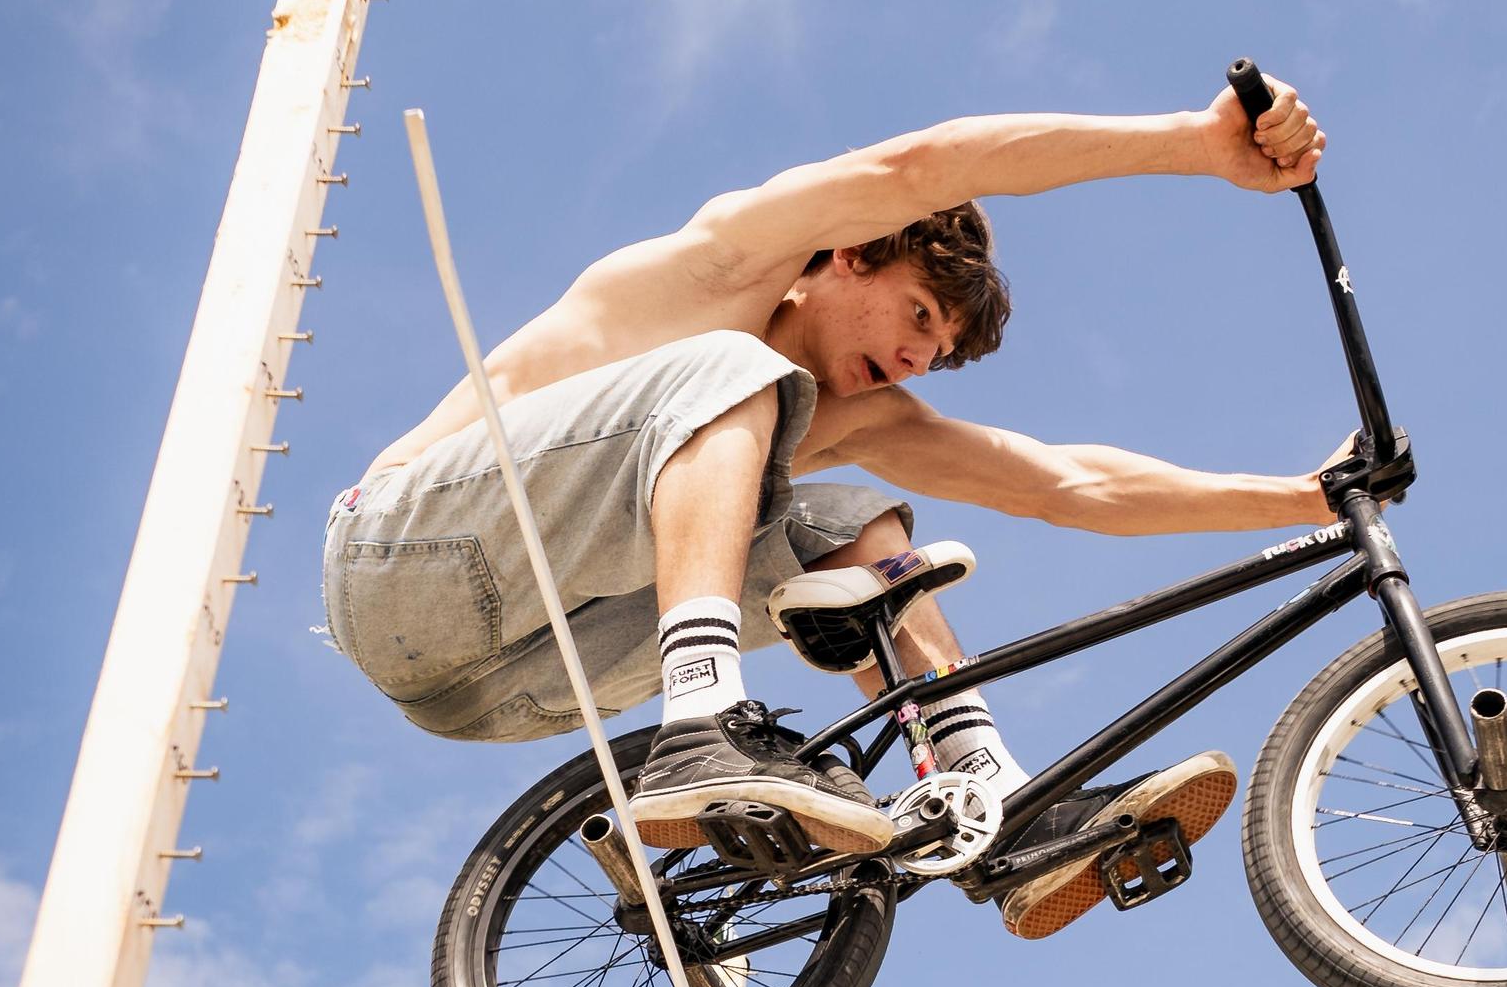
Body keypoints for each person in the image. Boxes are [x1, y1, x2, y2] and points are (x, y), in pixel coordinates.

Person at [322, 77, 1338, 939]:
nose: (912, 359)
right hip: (405, 558)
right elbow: (926, 166)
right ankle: (699, 727)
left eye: (933, 354)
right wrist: (1196, 145)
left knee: (855, 523)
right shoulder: (727, 264)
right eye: (917, 316)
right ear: (851, 255)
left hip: (517, 690)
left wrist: (1306, 499)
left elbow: (1061, 483)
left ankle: (998, 803)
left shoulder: (859, 414)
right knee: (737, 373)